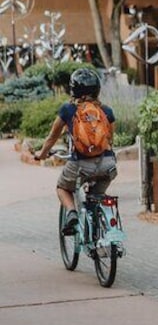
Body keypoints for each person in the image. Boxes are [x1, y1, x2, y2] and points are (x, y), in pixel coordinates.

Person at [34, 68, 117, 235]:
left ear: (73, 90)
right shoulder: (106, 112)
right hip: (108, 165)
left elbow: (52, 137)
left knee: (62, 188)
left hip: (80, 164)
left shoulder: (68, 110)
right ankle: (104, 232)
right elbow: (110, 140)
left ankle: (72, 213)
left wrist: (41, 154)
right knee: (97, 196)